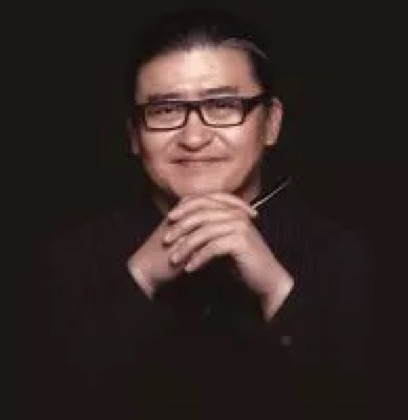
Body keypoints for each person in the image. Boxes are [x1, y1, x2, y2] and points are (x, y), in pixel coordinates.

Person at [33, 8, 370, 418]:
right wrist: (139, 278)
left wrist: (277, 290)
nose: (193, 137)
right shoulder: (70, 258)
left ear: (271, 123)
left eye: (224, 105)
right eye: (164, 111)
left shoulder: (344, 255)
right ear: (134, 135)